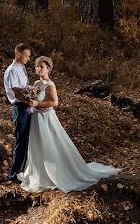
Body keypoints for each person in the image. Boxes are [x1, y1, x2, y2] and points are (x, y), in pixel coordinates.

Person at [18, 56, 119, 193]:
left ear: (48, 68)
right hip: (35, 118)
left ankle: (54, 174)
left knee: (49, 144)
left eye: (41, 67)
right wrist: (29, 100)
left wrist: (37, 104)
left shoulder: (50, 85)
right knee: (37, 144)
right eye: (37, 66)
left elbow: (54, 103)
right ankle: (38, 173)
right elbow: (32, 98)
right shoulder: (36, 83)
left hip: (46, 119)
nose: (38, 69)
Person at [4, 43, 33, 182]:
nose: (29, 59)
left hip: (26, 107)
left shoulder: (22, 68)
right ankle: (14, 175)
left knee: (27, 140)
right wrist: (29, 102)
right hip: (20, 107)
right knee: (21, 140)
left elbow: (25, 88)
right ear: (19, 54)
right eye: (27, 56)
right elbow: (16, 92)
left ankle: (22, 172)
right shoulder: (12, 70)